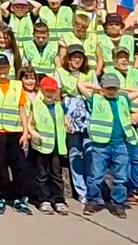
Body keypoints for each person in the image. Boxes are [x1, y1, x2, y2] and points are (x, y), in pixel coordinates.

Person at [76, 73, 138, 218]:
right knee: (96, 176)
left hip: (120, 145)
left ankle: (118, 204)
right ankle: (93, 201)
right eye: (108, 88)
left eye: (113, 88)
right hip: (101, 145)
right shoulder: (96, 99)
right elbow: (81, 84)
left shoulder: (122, 98)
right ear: (103, 88)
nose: (111, 91)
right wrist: (98, 88)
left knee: (120, 177)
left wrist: (121, 88)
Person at [0, 53, 32, 214]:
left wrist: (25, 132)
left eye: (4, 67)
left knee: (19, 167)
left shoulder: (17, 85)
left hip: (15, 132)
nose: (1, 71)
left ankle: (19, 198)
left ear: (9, 68)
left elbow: (22, 109)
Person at [107, 47, 138, 202]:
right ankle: (125, 190)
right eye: (119, 57)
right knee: (123, 156)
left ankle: (137, 189)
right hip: (122, 120)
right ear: (114, 60)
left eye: (125, 57)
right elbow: (111, 93)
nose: (123, 60)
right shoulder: (109, 74)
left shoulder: (137, 73)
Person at [58, 43, 95, 204]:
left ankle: (92, 188)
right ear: (69, 59)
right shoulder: (61, 72)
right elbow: (58, 95)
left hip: (88, 113)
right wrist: (64, 116)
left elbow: (97, 92)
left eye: (80, 57)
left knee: (90, 152)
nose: (77, 60)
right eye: (74, 57)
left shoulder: (90, 73)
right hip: (70, 113)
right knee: (74, 153)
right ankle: (81, 191)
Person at [28, 75, 68, 214]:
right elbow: (29, 123)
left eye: (52, 91)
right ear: (41, 90)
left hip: (57, 146)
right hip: (42, 146)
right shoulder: (36, 105)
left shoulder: (59, 106)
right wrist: (33, 132)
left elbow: (64, 122)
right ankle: (44, 199)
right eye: (47, 91)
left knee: (56, 174)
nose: (50, 94)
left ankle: (58, 200)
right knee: (42, 174)